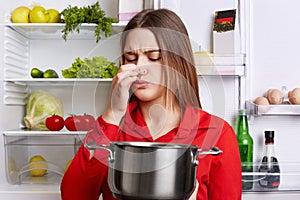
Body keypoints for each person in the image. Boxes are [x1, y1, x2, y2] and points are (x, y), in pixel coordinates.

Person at [60, 8, 242, 200]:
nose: (140, 68)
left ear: (178, 61)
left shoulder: (218, 133)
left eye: (153, 57)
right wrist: (113, 113)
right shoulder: (111, 128)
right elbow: (73, 196)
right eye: (131, 58)